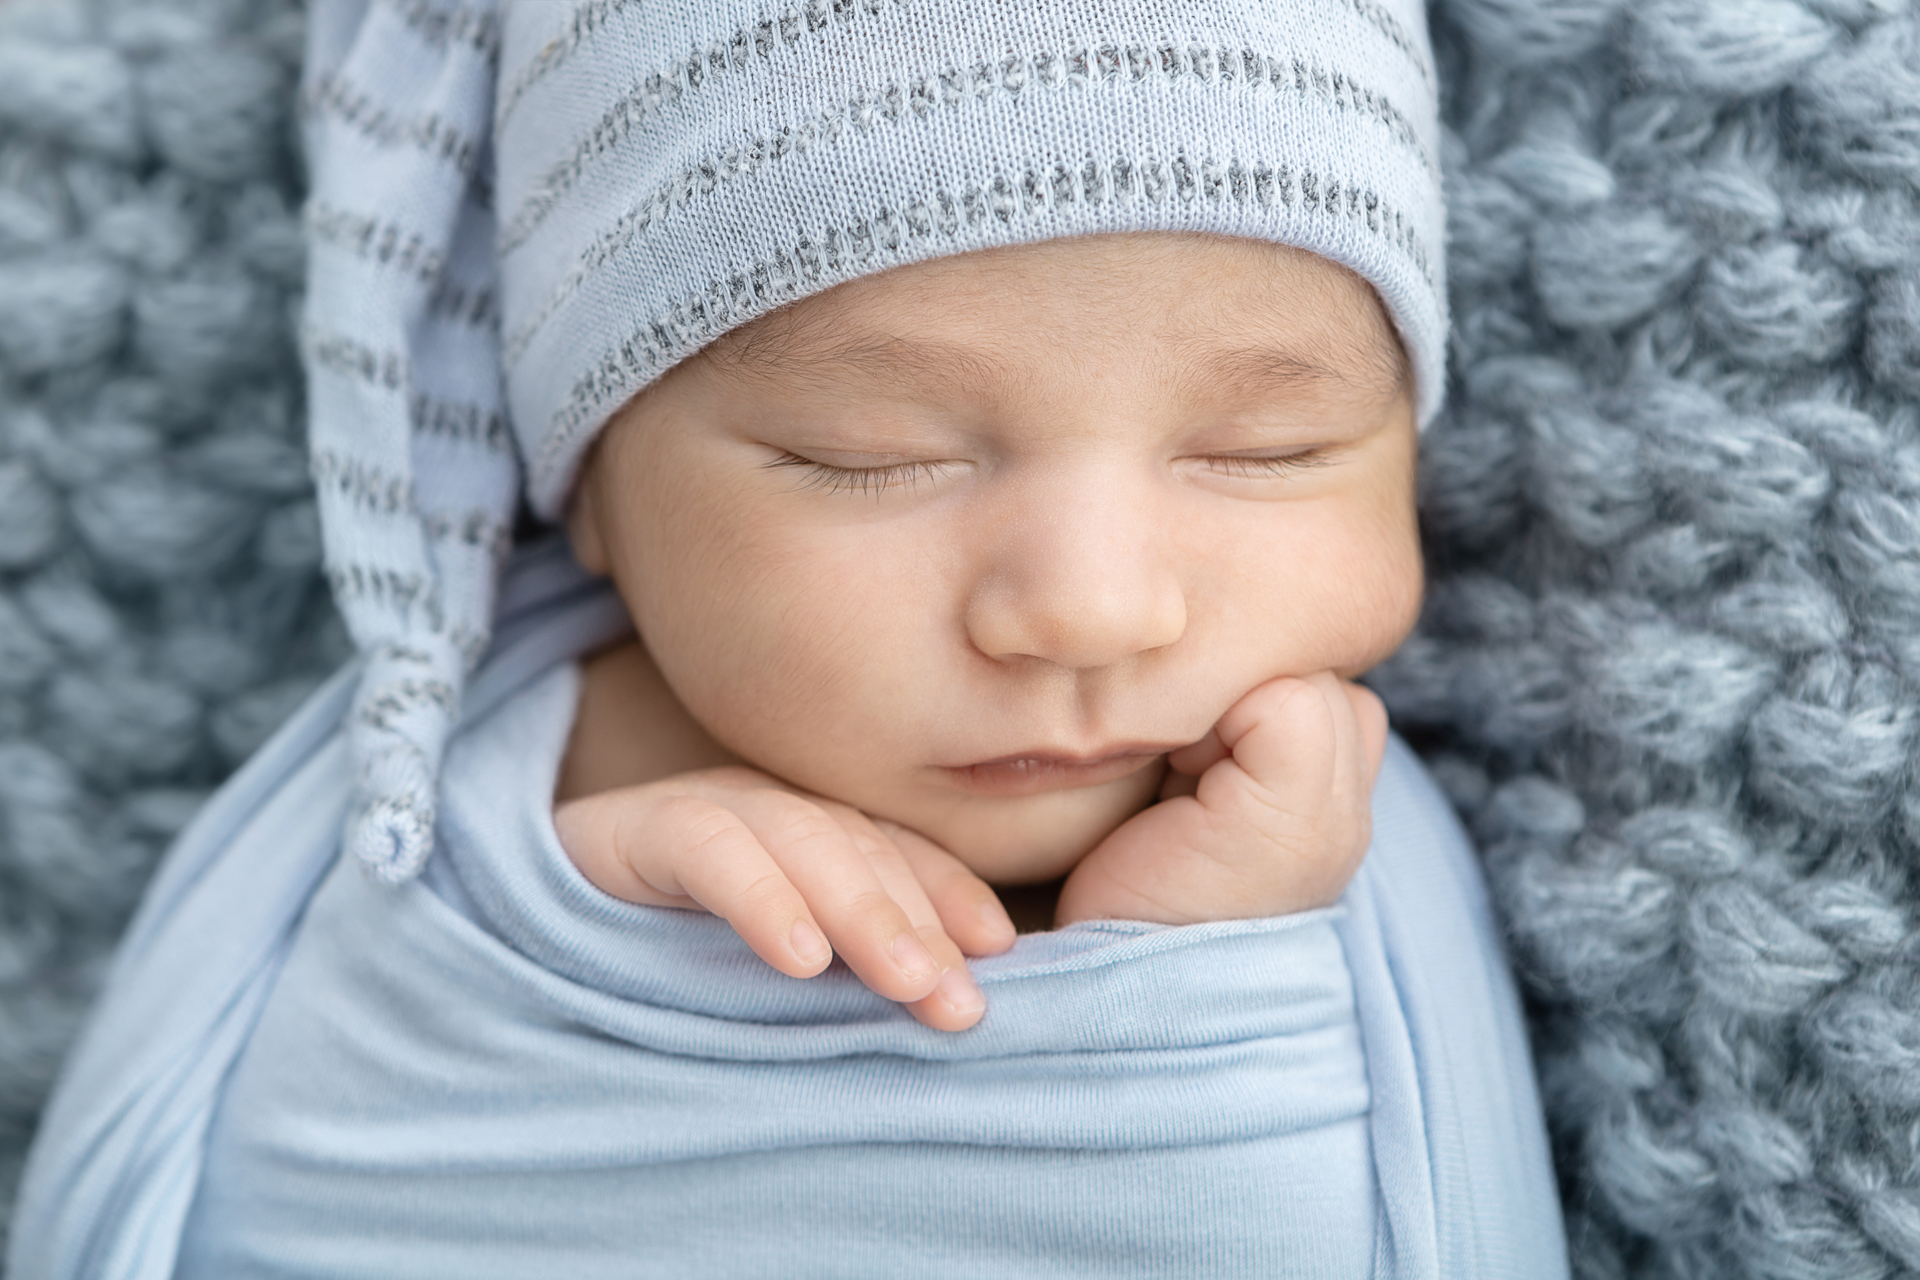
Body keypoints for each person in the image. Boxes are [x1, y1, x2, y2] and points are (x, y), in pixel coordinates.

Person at [11, 0, 1568, 1275]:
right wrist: (594, 901)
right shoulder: (459, 820)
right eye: (870, 457)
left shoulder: (1326, 837)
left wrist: (1194, 975)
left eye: (1267, 450)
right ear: (594, 489)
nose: (1093, 608)